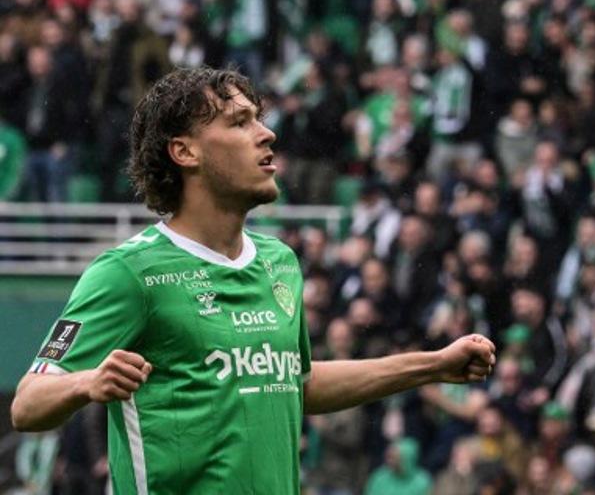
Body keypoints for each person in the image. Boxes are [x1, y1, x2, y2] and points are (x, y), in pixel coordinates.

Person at [9, 67, 495, 493]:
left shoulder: (279, 261)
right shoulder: (128, 273)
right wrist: (87, 383)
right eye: (239, 123)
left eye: (258, 118)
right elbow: (28, 404)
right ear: (184, 152)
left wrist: (432, 365)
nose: (266, 135)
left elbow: (296, 385)